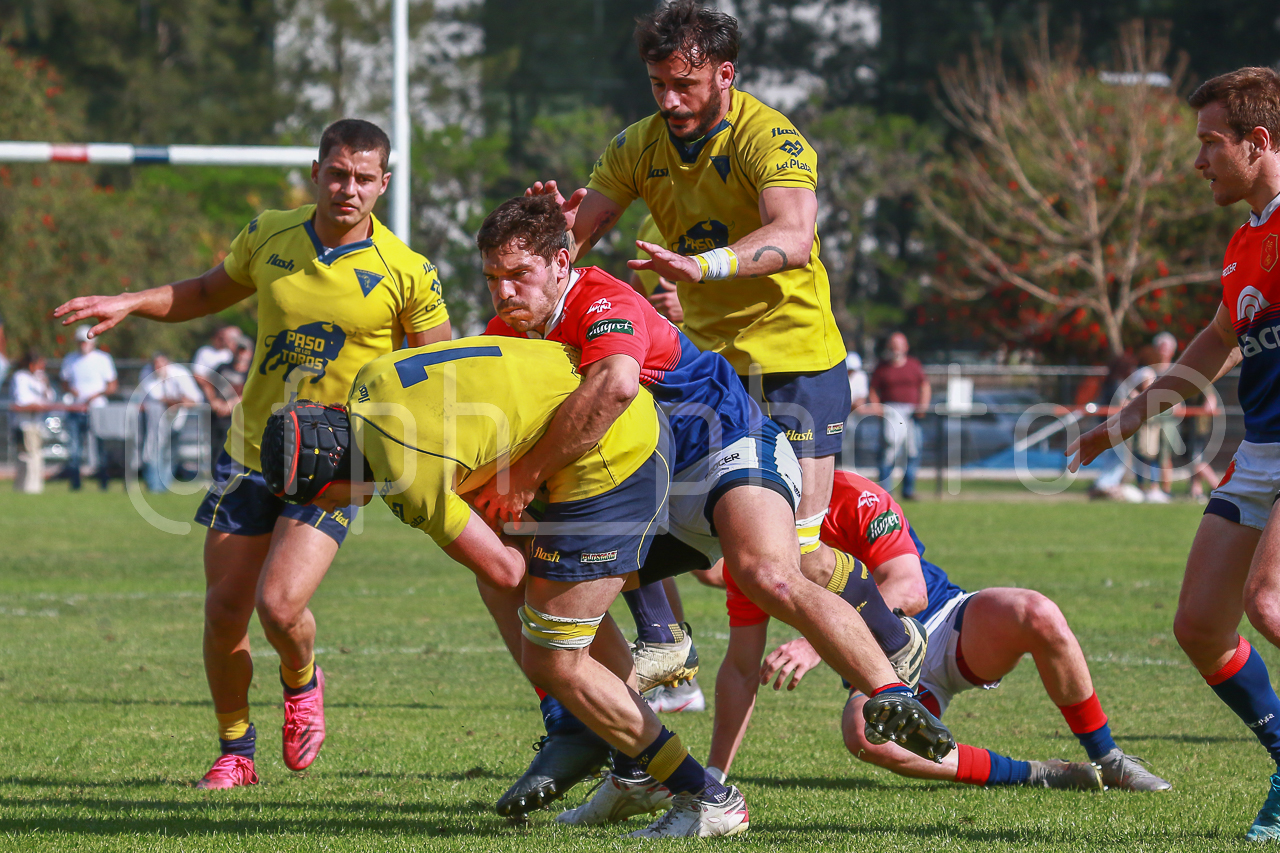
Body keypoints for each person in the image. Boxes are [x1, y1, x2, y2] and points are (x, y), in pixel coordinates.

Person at [473, 195, 937, 820]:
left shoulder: (601, 300)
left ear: (561, 262)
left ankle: (890, 689)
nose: (503, 292)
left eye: (518, 275)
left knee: (768, 572)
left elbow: (613, 386)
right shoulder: (506, 333)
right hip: (645, 492)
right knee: (531, 581)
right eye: (492, 278)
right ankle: (636, 762)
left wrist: (525, 477)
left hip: (723, 446)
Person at [52, 118, 452, 789]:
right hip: (250, 453)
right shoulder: (271, 232)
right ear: (317, 170)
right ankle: (236, 749)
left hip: (336, 466)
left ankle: (303, 680)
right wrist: (133, 301)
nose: (347, 187)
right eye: (336, 172)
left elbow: (439, 372)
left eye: (362, 177)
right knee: (223, 612)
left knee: (280, 605)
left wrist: (402, 448)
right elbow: (207, 291)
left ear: (383, 184)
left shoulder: (407, 272)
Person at [528, 0, 852, 593]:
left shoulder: (770, 137)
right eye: (658, 85)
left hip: (795, 362)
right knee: (620, 523)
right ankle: (666, 648)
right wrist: (548, 232)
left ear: (725, 74)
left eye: (686, 85)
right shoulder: (638, 145)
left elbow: (794, 236)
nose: (670, 101)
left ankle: (893, 638)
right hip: (709, 370)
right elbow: (579, 233)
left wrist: (703, 267)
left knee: (795, 561)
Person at [1068, 66, 1280, 840]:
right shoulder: (1247, 240)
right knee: (1200, 625)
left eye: (1210, 144)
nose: (1199, 162)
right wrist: (1119, 425)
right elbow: (1214, 346)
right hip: (1261, 450)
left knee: (1269, 604)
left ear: (1258, 143)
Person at [708, 470, 1170, 794]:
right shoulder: (754, 550)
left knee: (1038, 612)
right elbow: (741, 668)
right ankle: (1036, 773)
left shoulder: (852, 494)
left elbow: (910, 589)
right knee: (864, 736)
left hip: (946, 623)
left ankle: (1110, 759)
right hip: (880, 666)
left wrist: (814, 641)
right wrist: (713, 778)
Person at [868, 332, 929, 500]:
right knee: (888, 451)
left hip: (911, 413)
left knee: (912, 451)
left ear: (906, 347)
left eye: (899, 344)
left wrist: (922, 406)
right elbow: (873, 389)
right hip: (891, 412)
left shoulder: (914, 365)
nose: (896, 348)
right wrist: (877, 408)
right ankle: (885, 491)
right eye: (893, 344)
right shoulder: (882, 367)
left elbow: (924, 386)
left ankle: (908, 490)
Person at [60, 325, 118, 491]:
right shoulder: (70, 359)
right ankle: (75, 484)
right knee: (74, 449)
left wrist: (96, 395)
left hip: (97, 409)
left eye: (85, 342)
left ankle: (103, 482)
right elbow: (64, 381)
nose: (82, 345)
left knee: (100, 447)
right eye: (80, 342)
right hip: (76, 409)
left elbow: (112, 386)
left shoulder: (103, 359)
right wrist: (72, 390)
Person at [138, 352, 203, 492]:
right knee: (153, 451)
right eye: (155, 364)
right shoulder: (147, 375)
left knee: (171, 453)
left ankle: (164, 484)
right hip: (155, 421)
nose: (158, 367)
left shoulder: (180, 373)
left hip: (177, 419)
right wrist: (178, 400)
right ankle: (154, 485)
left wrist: (181, 401)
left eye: (161, 364)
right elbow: (157, 398)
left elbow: (195, 399)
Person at [193, 325, 244, 471]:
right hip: (217, 409)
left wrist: (232, 403)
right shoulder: (219, 363)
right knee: (217, 445)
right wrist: (214, 401)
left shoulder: (245, 362)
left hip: (237, 409)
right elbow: (205, 379)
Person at [9, 349, 59, 494]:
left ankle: (32, 487)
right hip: (25, 424)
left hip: (37, 423)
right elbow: (21, 402)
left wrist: (46, 384)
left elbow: (50, 398)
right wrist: (38, 406)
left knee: (35, 456)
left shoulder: (39, 379)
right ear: (32, 364)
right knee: (29, 457)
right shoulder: (20, 377)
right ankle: (28, 488)